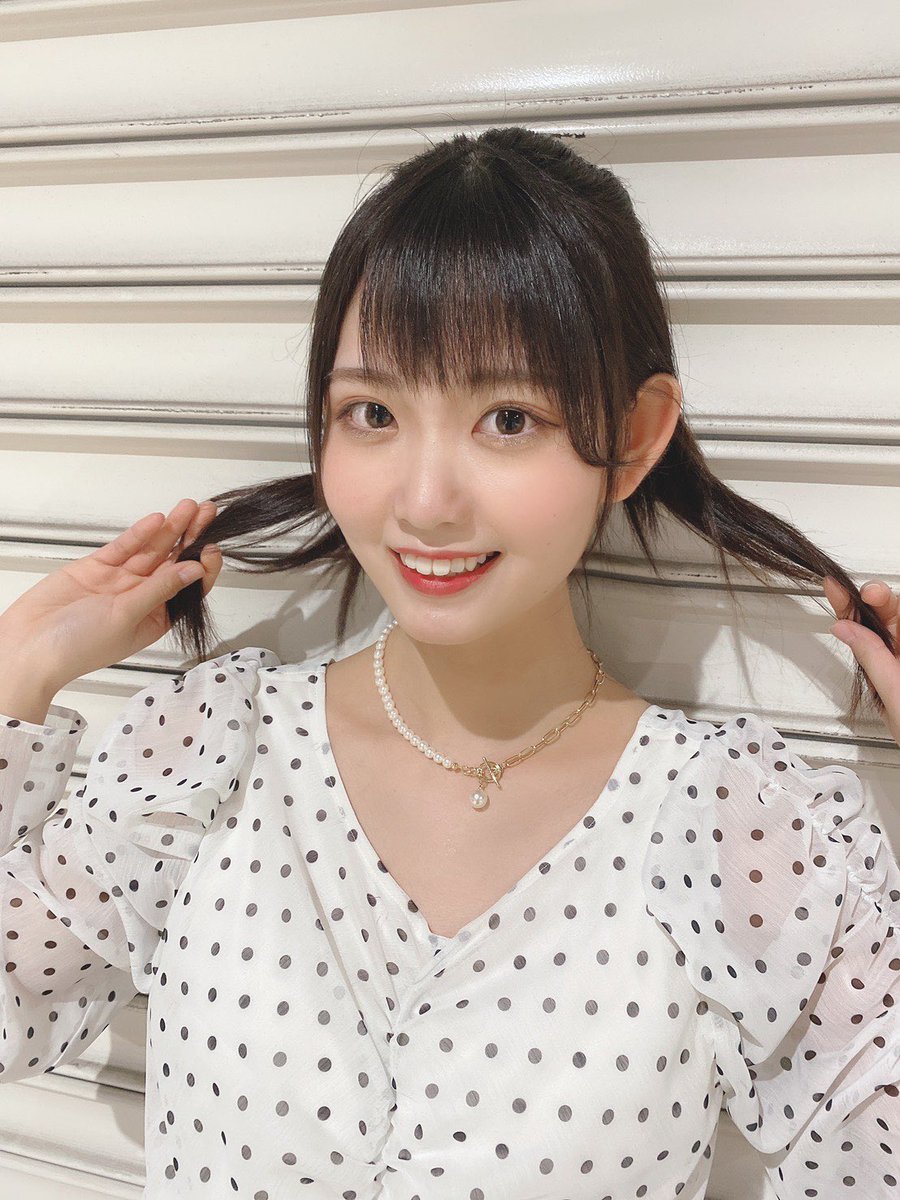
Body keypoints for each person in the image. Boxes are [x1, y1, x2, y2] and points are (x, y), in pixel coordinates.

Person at [0, 126, 897, 1199]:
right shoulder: (209, 753)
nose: (424, 502)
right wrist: (16, 675)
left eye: (508, 418)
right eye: (373, 413)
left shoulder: (746, 835)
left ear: (634, 435)